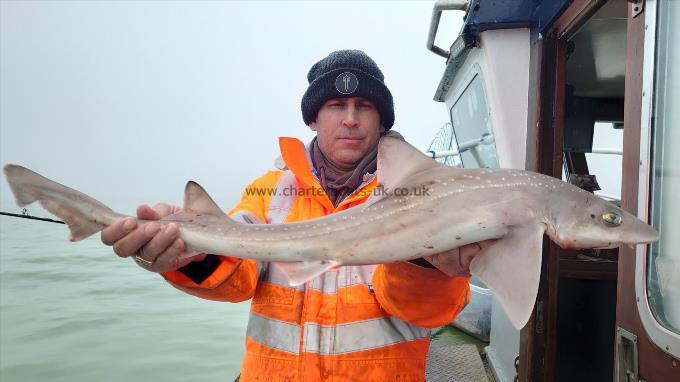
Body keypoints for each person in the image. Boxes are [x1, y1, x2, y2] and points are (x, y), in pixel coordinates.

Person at [101, 49, 492, 382]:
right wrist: (190, 253)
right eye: (336, 106)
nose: (351, 119)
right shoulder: (268, 189)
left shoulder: (418, 194)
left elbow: (425, 312)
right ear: (313, 119)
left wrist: (424, 261)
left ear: (382, 120)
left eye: (365, 107)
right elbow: (237, 276)